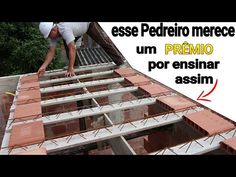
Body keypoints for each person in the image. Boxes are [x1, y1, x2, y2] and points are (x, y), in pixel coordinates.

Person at [38, 22, 125, 77]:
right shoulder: (55, 34)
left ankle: (120, 62)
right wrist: (43, 66)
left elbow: (73, 48)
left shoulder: (64, 29)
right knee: (67, 46)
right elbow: (51, 51)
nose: (50, 38)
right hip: (77, 30)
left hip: (88, 24)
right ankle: (76, 67)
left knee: (103, 42)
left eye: (49, 35)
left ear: (54, 30)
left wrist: (69, 68)